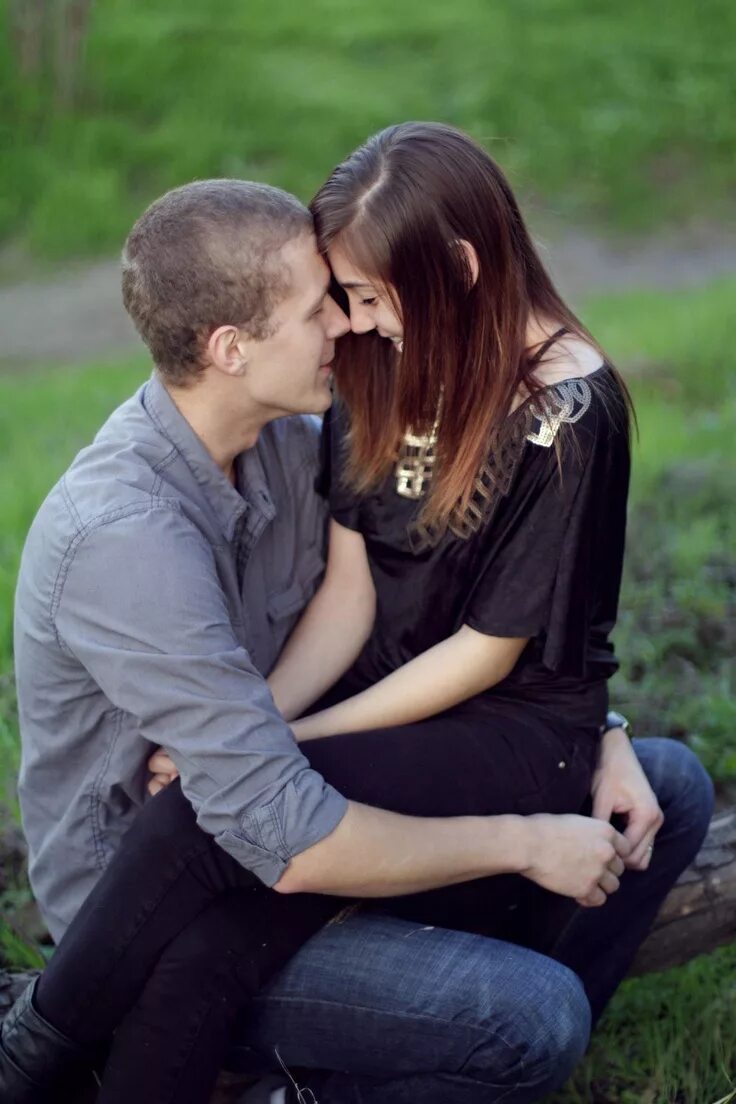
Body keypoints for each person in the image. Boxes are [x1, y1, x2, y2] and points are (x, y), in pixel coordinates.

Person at [3, 129, 712, 1103]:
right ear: (231, 349)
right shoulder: (127, 535)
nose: (348, 326)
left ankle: (70, 1050)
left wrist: (595, 715)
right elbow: (299, 747)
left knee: (664, 784)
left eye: (360, 297)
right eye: (324, 305)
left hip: (327, 786)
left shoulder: (306, 434)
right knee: (508, 1000)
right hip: (160, 889)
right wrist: (520, 833)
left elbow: (482, 615)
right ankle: (62, 1055)